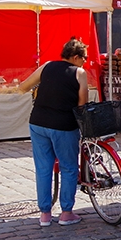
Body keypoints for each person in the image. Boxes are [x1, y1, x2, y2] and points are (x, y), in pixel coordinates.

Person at [19, 38, 89, 228]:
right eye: (84, 58)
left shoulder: (47, 66)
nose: (85, 62)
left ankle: (44, 214)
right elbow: (82, 103)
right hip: (63, 125)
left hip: (38, 122)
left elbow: (23, 86)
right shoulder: (79, 73)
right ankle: (66, 212)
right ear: (76, 57)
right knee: (68, 168)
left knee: (43, 168)